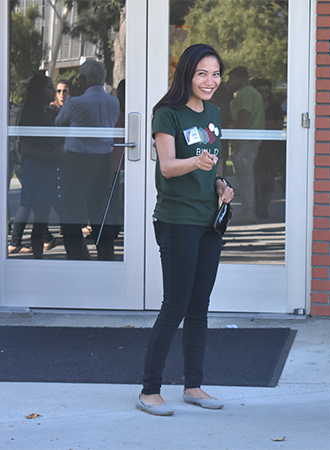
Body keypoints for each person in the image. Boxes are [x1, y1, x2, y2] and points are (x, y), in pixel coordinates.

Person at [137, 43, 234, 416]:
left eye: (216, 74)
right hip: (177, 220)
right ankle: (149, 390)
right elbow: (167, 166)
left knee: (199, 306)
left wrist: (222, 185)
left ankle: (193, 386)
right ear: (187, 75)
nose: (211, 81)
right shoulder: (167, 114)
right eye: (202, 74)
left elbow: (210, 167)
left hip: (209, 218)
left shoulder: (213, 112)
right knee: (175, 304)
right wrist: (196, 161)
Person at [55, 60, 121, 260]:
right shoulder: (113, 102)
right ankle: (106, 256)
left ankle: (78, 257)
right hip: (102, 161)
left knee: (72, 212)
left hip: (78, 161)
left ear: (82, 79)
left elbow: (58, 123)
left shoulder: (76, 102)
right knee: (100, 211)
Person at [7, 73, 65, 258]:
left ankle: (43, 256)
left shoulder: (53, 113)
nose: (53, 91)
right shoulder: (30, 114)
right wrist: (50, 155)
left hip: (52, 169)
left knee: (56, 218)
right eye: (49, 87)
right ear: (38, 91)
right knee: (40, 219)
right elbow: (25, 148)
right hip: (37, 169)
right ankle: (37, 259)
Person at [226, 66, 264, 221]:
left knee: (245, 178)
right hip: (250, 139)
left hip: (245, 141)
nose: (229, 82)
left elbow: (244, 115)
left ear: (242, 78)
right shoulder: (252, 93)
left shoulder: (244, 94)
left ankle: (248, 212)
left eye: (232, 79)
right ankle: (249, 211)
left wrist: (230, 127)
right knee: (246, 177)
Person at [249, 77, 285, 219]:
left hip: (273, 148)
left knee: (268, 180)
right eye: (260, 91)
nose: (264, 94)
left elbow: (279, 126)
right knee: (255, 179)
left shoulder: (275, 107)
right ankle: (253, 209)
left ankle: (263, 209)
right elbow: (248, 125)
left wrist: (261, 124)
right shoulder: (251, 106)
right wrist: (268, 123)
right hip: (254, 146)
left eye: (266, 91)